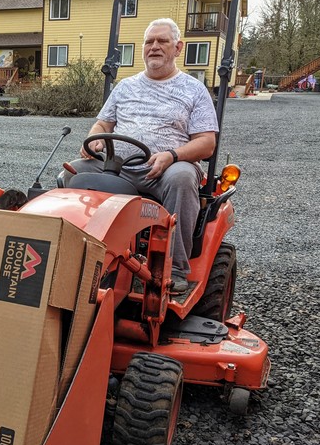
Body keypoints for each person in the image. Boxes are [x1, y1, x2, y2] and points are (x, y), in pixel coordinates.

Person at [66, 18, 219, 294]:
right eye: (149, 42)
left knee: (183, 178)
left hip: (166, 169)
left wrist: (172, 155)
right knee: (72, 173)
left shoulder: (194, 90)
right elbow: (103, 124)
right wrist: (96, 137)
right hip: (120, 167)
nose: (155, 47)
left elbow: (207, 143)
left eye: (162, 41)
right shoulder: (125, 87)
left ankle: (174, 268)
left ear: (178, 48)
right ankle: (75, 252)